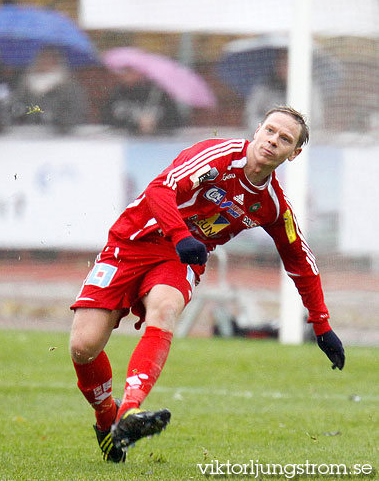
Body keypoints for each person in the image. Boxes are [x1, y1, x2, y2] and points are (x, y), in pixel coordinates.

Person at [69, 106, 345, 463]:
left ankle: (130, 413)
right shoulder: (217, 155)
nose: (274, 141)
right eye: (271, 131)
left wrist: (321, 325)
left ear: (295, 154)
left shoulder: (272, 205)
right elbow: (159, 189)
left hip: (178, 259)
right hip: (131, 241)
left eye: (285, 140)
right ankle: (108, 416)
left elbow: (300, 261)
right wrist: (182, 234)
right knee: (83, 346)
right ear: (258, 129)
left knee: (166, 308)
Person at [12, 45, 90, 133]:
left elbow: (78, 113)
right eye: (42, 58)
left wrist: (57, 120)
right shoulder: (24, 85)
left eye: (50, 59)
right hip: (27, 136)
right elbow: (15, 109)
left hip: (60, 138)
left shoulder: (69, 87)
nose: (45, 62)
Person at [244, 49, 324, 133]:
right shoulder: (264, 88)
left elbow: (316, 120)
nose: (286, 68)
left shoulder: (309, 89)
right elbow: (250, 116)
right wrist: (270, 127)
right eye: (282, 63)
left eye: (290, 63)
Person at [102, 66, 182, 135]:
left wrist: (156, 125)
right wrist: (135, 125)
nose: (126, 75)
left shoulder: (158, 95)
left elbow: (175, 122)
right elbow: (106, 121)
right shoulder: (116, 95)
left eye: (131, 71)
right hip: (123, 143)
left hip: (157, 143)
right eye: (125, 71)